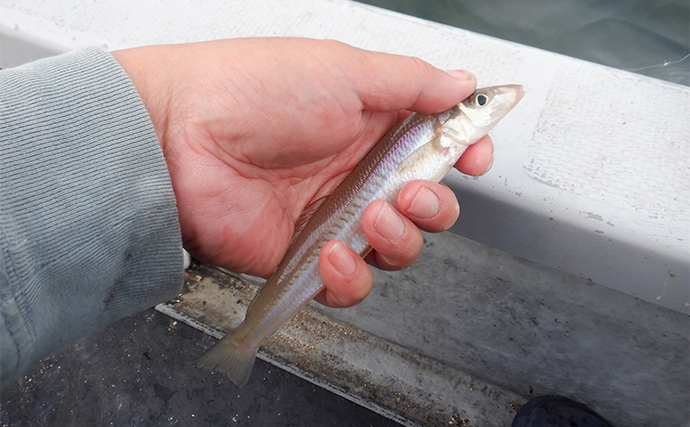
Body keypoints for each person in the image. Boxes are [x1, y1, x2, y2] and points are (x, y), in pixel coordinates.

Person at [0, 38, 493, 389]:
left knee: (359, 244)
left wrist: (168, 121)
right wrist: (170, 117)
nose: (487, 104)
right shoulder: (436, 128)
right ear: (452, 118)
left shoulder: (436, 135)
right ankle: (245, 340)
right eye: (480, 101)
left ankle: (246, 338)